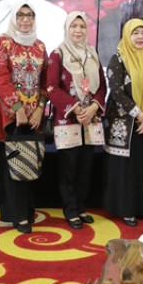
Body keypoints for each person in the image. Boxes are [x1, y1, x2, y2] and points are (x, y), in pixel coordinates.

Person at [0, 3, 48, 234]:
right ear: (13, 18)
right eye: (20, 15)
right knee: (13, 164)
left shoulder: (40, 46)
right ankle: (16, 215)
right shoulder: (3, 43)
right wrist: (18, 108)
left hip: (34, 117)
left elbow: (44, 81)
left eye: (30, 15)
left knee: (30, 161)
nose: (25, 19)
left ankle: (27, 211)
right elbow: (0, 78)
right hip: (11, 115)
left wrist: (40, 108)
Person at [46, 12, 106, 229]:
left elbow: (101, 86)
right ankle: (70, 210)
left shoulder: (92, 53)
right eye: (74, 26)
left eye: (82, 26)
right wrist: (77, 108)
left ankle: (81, 207)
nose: (78, 30)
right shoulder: (57, 54)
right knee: (69, 167)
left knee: (85, 166)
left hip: (90, 118)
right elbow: (52, 87)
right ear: (66, 29)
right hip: (68, 120)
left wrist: (93, 107)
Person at [104, 18, 143, 227]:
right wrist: (141, 115)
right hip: (126, 123)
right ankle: (126, 209)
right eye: (135, 33)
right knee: (126, 168)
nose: (140, 37)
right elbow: (117, 92)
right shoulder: (118, 58)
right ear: (127, 36)